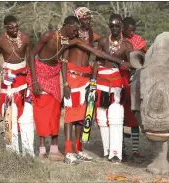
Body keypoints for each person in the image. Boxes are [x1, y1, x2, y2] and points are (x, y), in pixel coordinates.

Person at [28, 15, 130, 161]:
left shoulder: (71, 40)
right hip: (55, 76)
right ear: (67, 26)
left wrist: (120, 61)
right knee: (65, 114)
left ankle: (76, 149)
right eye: (75, 30)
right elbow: (35, 55)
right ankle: (66, 151)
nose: (76, 33)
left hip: (76, 78)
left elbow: (97, 53)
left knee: (79, 117)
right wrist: (40, 81)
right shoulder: (50, 36)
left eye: (79, 31)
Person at [61, 7, 122, 164]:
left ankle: (78, 149)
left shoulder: (90, 33)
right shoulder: (71, 35)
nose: (88, 21)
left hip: (86, 77)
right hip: (73, 77)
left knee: (82, 117)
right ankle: (68, 152)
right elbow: (64, 59)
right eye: (85, 18)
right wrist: (65, 83)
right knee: (70, 116)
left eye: (89, 18)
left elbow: (102, 41)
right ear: (78, 19)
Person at [91, 13, 133, 164]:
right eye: (112, 26)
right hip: (101, 82)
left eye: (117, 26)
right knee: (102, 118)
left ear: (121, 26)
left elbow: (131, 64)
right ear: (109, 26)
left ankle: (116, 153)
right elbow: (97, 62)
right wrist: (93, 82)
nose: (114, 28)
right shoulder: (103, 41)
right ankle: (107, 150)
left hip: (116, 83)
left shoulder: (127, 45)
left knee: (116, 116)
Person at [0, 15, 34, 157]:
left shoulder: (26, 38)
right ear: (5, 28)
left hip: (23, 76)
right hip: (8, 78)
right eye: (11, 27)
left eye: (17, 26)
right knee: (9, 113)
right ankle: (13, 152)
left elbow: (30, 59)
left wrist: (30, 78)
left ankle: (29, 151)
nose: (15, 29)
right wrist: (3, 73)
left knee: (27, 115)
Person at [122, 16, 147, 158]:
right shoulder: (118, 40)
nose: (132, 33)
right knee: (119, 116)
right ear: (123, 28)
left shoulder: (138, 40)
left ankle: (135, 149)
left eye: (134, 31)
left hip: (134, 79)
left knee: (134, 115)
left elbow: (148, 53)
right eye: (129, 30)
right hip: (121, 77)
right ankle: (121, 147)